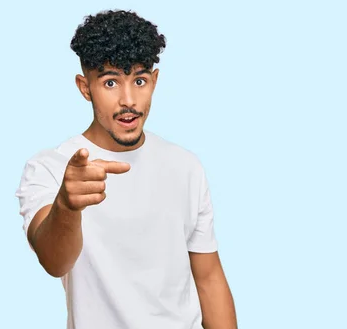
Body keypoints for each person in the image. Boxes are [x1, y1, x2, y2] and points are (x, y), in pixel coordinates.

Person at [15, 9, 237, 329]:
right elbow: (54, 261)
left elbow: (209, 278)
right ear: (84, 87)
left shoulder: (186, 165)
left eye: (140, 80)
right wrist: (66, 205)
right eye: (110, 82)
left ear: (155, 81)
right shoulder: (49, 167)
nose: (128, 99)